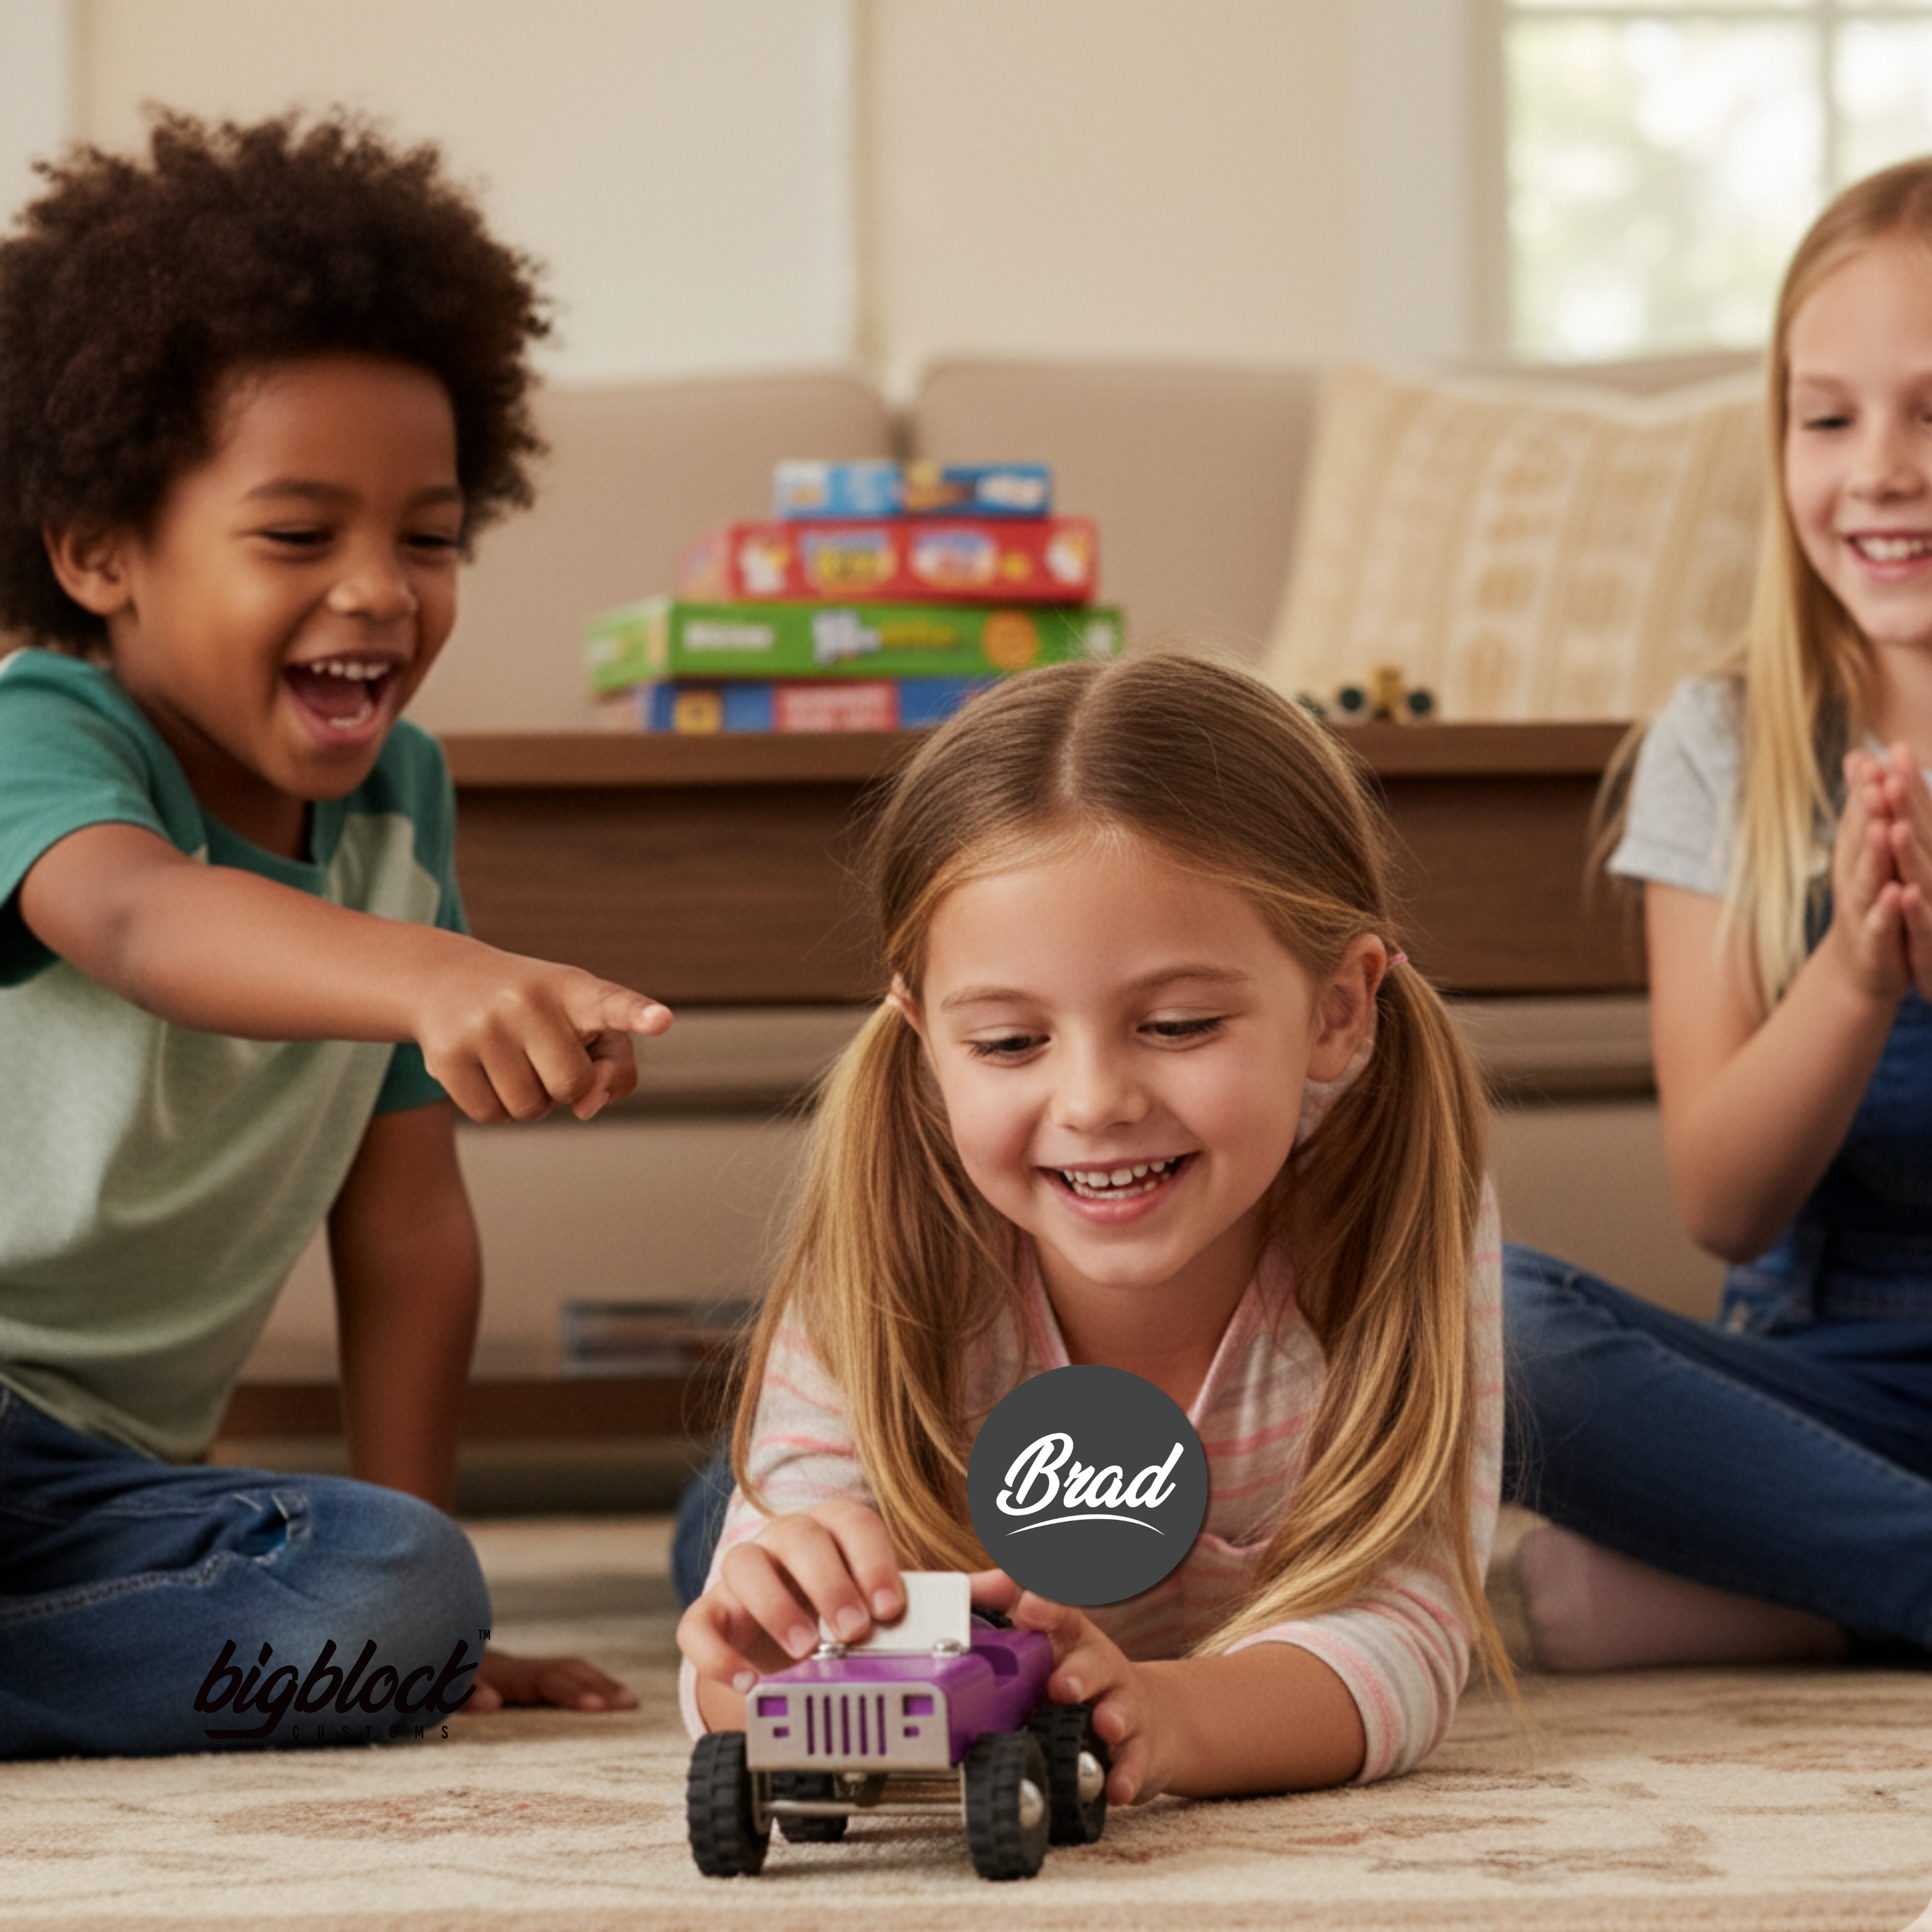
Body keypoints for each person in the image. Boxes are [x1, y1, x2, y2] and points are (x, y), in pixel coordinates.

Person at [0, 110, 672, 1756]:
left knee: (393, 1593)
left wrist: (431, 1622)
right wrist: (440, 972)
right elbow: (145, 917)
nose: (380, 590)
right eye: (298, 536)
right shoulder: (44, 733)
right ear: (98, 552)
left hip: (87, 1491)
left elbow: (405, 1225)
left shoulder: (397, 808)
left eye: (427, 537)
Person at [675, 652, 1507, 1801]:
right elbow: (729, 1680)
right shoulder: (893, 1216)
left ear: (1337, 1011)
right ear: (923, 1038)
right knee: (747, 1538)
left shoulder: (1394, 1208)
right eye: (1011, 1043)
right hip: (878, 1498)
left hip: (1139, 1574)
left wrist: (1160, 1713)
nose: (1093, 1101)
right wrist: (765, 1621)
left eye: (1175, 1023)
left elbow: (1405, 1633)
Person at [1504, 157, 1932, 1672]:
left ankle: (1827, 1583)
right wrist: (1852, 971)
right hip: (1829, 1386)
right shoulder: (1722, 742)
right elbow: (1720, 1202)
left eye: (1927, 410)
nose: (1877, 467)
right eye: (1824, 418)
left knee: (1584, 1603)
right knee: (1475, 1316)